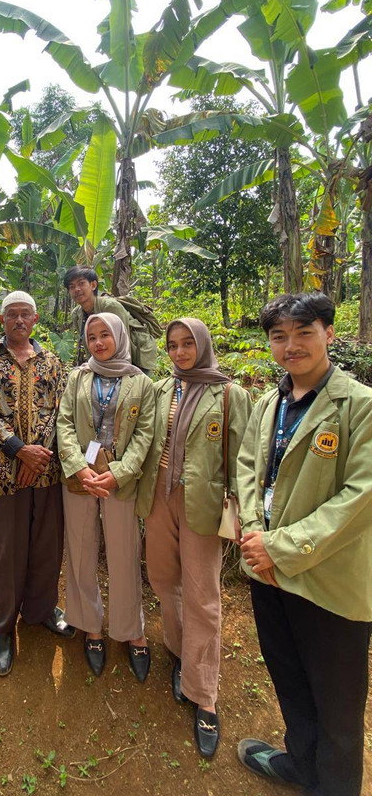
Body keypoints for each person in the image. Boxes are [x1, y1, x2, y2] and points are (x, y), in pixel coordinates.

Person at [236, 293, 372, 796]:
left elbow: (361, 498)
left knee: (337, 701)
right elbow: (249, 469)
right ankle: (299, 762)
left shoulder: (359, 405)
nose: (291, 346)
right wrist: (254, 536)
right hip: (268, 572)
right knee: (288, 677)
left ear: (329, 334)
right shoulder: (271, 402)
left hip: (327, 580)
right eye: (279, 336)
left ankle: (333, 789)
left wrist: (282, 547)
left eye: (303, 333)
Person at [136, 318, 251, 758]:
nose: (180, 352)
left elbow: (244, 458)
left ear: (202, 345)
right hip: (159, 494)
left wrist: (243, 512)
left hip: (202, 501)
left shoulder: (228, 394)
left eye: (188, 344)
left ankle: (204, 694)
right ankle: (181, 651)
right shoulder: (164, 389)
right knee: (164, 579)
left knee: (203, 592)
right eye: (173, 346)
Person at [0, 291, 74, 677]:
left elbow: (61, 407)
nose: (18, 320)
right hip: (5, 472)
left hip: (46, 469)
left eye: (25, 315)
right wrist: (19, 451)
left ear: (34, 321)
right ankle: (3, 625)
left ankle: (41, 610)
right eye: (11, 315)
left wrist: (39, 453)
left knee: (47, 544)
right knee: (8, 549)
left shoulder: (51, 362)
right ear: (2, 320)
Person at [57, 312, 155, 682]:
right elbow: (64, 422)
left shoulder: (140, 382)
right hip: (80, 478)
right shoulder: (78, 377)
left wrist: (117, 474)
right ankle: (90, 626)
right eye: (91, 336)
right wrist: (78, 467)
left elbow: (145, 434)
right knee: (80, 550)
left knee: (124, 553)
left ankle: (132, 630)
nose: (98, 343)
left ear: (119, 336)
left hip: (119, 480)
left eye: (105, 335)